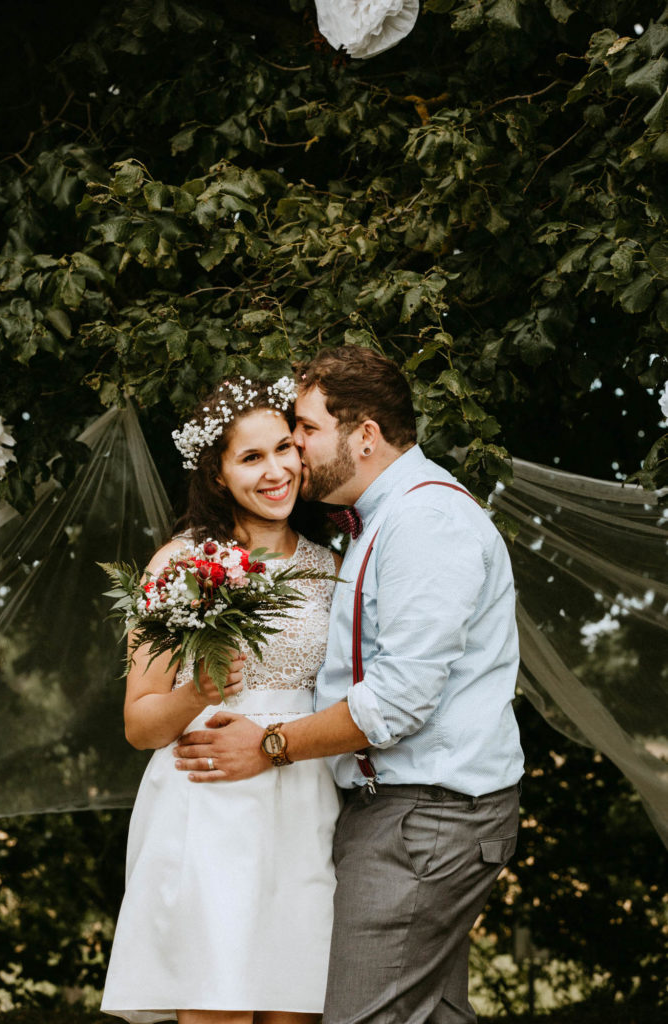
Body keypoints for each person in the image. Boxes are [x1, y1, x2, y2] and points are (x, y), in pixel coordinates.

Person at [173, 347, 525, 1024]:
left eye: (305, 429)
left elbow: (397, 700)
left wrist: (270, 745)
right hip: (401, 811)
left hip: (424, 819)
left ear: (364, 435)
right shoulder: (379, 522)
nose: (296, 448)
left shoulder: (427, 522)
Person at [101, 376, 342, 1024]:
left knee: (296, 1008)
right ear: (217, 474)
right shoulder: (179, 566)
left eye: (285, 448)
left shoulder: (332, 570)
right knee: (219, 1009)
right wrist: (196, 694)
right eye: (251, 457)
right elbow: (140, 724)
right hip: (208, 807)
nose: (276, 471)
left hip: (306, 807)